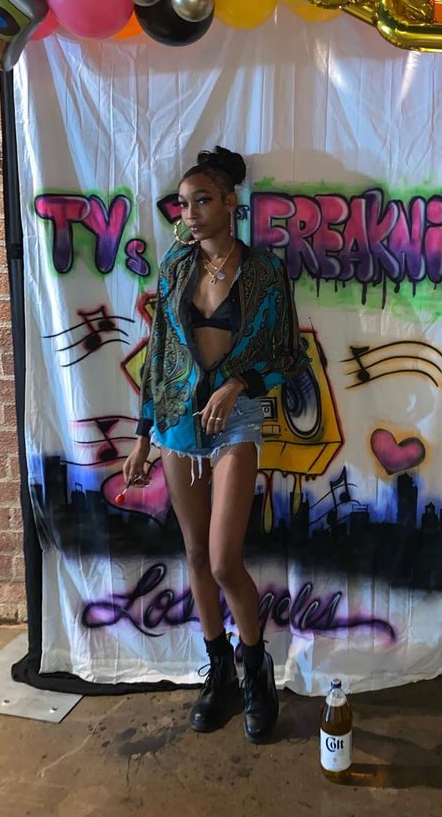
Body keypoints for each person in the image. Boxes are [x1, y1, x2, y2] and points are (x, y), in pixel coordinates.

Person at [123, 145, 309, 742]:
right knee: (197, 556)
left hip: (236, 420)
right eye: (184, 203)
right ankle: (219, 674)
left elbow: (288, 356)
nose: (192, 212)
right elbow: (158, 356)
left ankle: (257, 671)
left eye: (204, 200)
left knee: (227, 559)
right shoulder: (175, 268)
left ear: (231, 203)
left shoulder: (264, 271)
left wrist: (239, 381)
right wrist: (145, 434)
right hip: (178, 421)